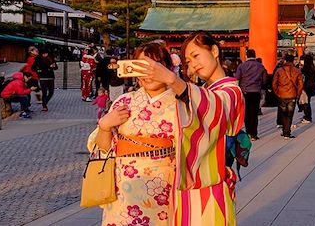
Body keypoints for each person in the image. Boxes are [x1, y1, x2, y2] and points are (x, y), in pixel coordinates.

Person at [136, 32, 244, 225]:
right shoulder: (207, 91)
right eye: (188, 60)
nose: (193, 64)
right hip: (190, 182)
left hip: (211, 183)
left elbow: (214, 108)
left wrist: (172, 80)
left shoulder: (231, 91)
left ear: (214, 50)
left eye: (196, 56)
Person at [87, 40, 177, 226]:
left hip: (166, 187)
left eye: (154, 66)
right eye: (140, 67)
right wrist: (104, 125)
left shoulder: (181, 104)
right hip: (124, 189)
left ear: (167, 68)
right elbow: (105, 150)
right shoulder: (124, 101)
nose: (148, 74)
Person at [235, 48, 267, 140]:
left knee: (246, 113)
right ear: (255, 55)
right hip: (256, 91)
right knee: (254, 113)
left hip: (244, 91)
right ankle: (254, 134)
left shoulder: (242, 66)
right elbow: (264, 80)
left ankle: (248, 132)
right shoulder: (260, 66)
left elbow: (237, 78)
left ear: (246, 56)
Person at [272, 53, 303, 139]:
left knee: (283, 113)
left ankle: (284, 130)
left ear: (285, 60)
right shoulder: (297, 71)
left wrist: (277, 92)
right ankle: (287, 132)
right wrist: (298, 94)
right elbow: (300, 85)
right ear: (293, 60)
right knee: (290, 114)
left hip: (282, 94)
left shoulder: (279, 70)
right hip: (292, 94)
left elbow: (274, 83)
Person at [32, 47, 57, 112]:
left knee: (51, 92)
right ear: (42, 54)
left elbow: (56, 67)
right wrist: (39, 71)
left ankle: (45, 102)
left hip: (50, 77)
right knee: (44, 92)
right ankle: (44, 105)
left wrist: (54, 66)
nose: (46, 55)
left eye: (47, 53)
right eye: (45, 53)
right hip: (43, 78)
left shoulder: (50, 58)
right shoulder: (38, 59)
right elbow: (33, 68)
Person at [299, 53, 315, 123]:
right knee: (307, 101)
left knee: (306, 102)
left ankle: (307, 117)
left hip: (306, 86)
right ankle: (307, 116)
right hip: (312, 87)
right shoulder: (313, 68)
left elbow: (302, 77)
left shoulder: (306, 68)